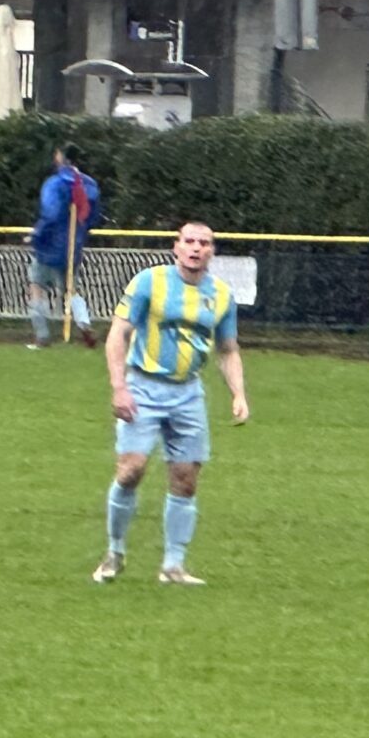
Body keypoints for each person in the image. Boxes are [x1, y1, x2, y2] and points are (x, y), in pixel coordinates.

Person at [91, 222, 250, 588]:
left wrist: (238, 394)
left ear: (212, 251)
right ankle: (114, 552)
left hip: (188, 393)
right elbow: (118, 334)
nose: (196, 248)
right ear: (176, 247)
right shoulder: (149, 281)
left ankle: (173, 566)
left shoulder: (221, 295)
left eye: (204, 243)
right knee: (131, 471)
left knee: (185, 479)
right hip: (143, 388)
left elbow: (228, 349)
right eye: (189, 241)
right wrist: (119, 387)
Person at [28, 145, 102, 351]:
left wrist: (37, 234)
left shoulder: (55, 183)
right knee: (71, 290)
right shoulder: (89, 184)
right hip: (74, 243)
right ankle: (84, 324)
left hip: (50, 244)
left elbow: (50, 213)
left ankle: (42, 336)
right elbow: (93, 216)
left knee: (37, 286)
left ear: (61, 157)